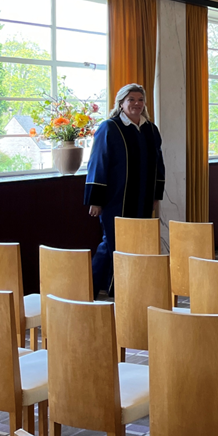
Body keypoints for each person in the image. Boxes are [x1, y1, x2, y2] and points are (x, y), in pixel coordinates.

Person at [85, 83, 165, 295]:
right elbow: (98, 163)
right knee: (112, 243)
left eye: (140, 100)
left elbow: (158, 164)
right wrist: (95, 199)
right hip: (115, 199)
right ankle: (89, 289)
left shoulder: (150, 129)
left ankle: (126, 289)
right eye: (131, 100)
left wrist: (156, 195)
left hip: (143, 198)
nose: (136, 104)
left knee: (137, 242)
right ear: (121, 103)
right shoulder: (109, 128)